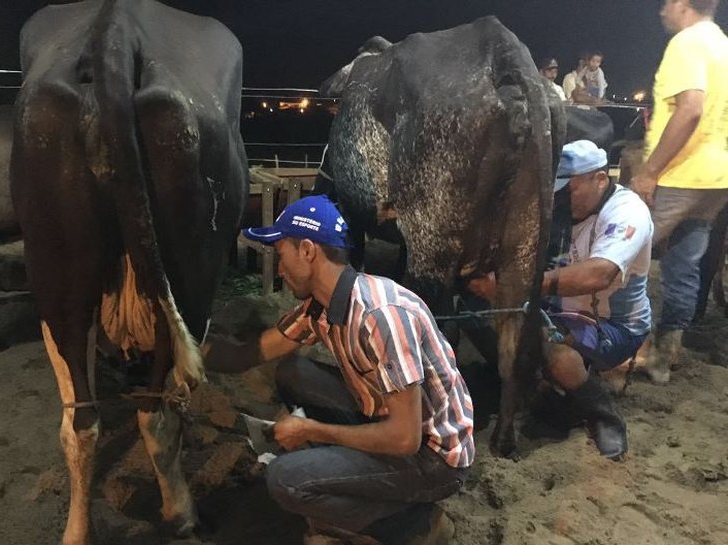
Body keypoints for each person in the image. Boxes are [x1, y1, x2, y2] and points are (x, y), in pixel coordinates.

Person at [204, 195, 472, 545]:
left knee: (285, 480)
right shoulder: (321, 308)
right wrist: (184, 345)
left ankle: (415, 524)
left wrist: (312, 430)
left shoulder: (380, 316)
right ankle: (352, 479)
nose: (280, 268)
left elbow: (406, 438)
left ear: (307, 250)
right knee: (292, 371)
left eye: (280, 253)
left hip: (434, 458)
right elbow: (248, 355)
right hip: (390, 422)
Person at [469, 140, 654, 461]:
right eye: (559, 192)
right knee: (480, 314)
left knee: (554, 354)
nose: (563, 200)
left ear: (601, 179)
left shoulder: (628, 212)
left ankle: (603, 416)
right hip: (553, 310)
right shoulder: (560, 209)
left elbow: (599, 274)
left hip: (613, 326)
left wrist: (514, 288)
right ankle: (544, 391)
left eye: (572, 190)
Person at [630, 0, 728, 383]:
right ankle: (663, 357)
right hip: (715, 180)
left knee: (623, 256)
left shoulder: (687, 44)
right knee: (684, 265)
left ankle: (621, 348)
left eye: (666, 3)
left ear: (682, 4)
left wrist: (650, 172)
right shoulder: (722, 44)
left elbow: (690, 109)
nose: (660, 11)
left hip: (679, 174)